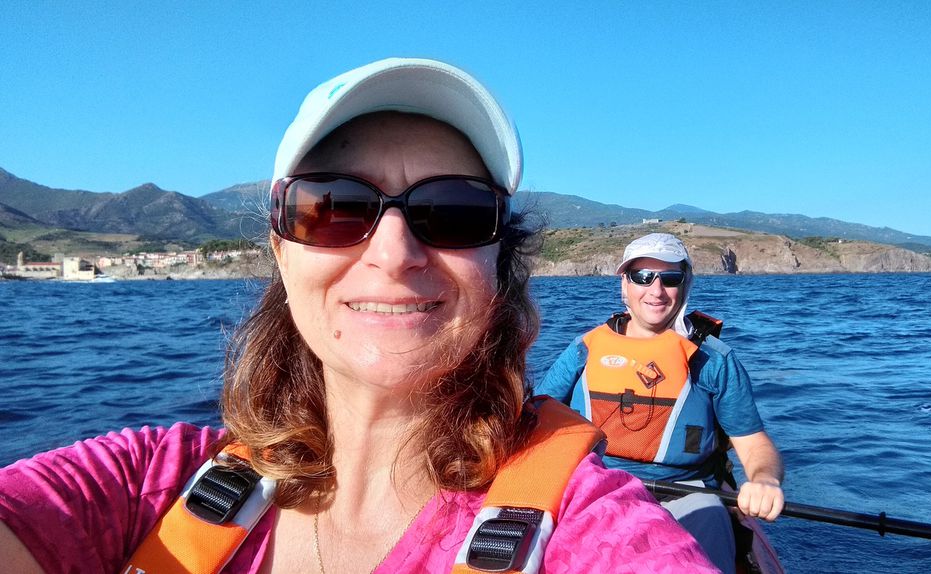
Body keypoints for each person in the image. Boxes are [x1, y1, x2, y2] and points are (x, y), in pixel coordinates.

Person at [0, 59, 720, 573]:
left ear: (501, 264)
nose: (395, 252)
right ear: (282, 254)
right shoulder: (139, 485)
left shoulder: (599, 533)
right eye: (335, 207)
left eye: (454, 211)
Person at [535, 232, 784, 574]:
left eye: (670, 278)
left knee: (706, 527)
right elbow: (535, 421)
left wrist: (765, 480)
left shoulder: (714, 360)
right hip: (595, 488)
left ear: (685, 285)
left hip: (687, 493)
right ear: (624, 285)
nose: (656, 290)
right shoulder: (584, 349)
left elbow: (754, 444)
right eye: (642, 277)